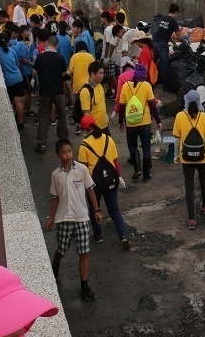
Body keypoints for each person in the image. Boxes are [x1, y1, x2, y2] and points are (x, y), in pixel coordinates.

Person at [45, 138, 101, 301]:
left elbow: (90, 190)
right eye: (64, 152)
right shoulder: (56, 175)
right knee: (61, 249)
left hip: (81, 217)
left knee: (84, 252)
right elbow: (55, 198)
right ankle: (55, 265)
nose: (68, 155)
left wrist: (96, 210)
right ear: (58, 155)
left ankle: (84, 285)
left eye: (70, 151)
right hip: (64, 218)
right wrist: (51, 217)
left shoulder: (82, 170)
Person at [77, 114, 130, 250]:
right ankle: (123, 236)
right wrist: (119, 177)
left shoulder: (84, 146)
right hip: (110, 180)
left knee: (94, 208)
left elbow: (82, 170)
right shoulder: (108, 140)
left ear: (84, 130)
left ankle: (98, 235)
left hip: (94, 184)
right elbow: (115, 162)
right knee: (114, 210)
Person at [172, 89, 205, 229]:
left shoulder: (180, 116)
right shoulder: (203, 116)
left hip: (186, 157)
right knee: (203, 180)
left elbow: (176, 139)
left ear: (186, 101)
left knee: (189, 186)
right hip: (202, 156)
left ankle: (191, 219)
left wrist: (176, 155)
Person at [115, 63, 160, 182]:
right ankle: (146, 175)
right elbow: (152, 106)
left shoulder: (125, 86)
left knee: (133, 146)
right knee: (146, 148)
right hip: (145, 122)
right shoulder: (146, 86)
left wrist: (120, 122)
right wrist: (158, 121)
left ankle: (137, 169)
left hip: (130, 123)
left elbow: (122, 106)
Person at [33, 34, 69, 153]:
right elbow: (64, 74)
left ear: (47, 44)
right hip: (58, 90)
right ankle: (63, 138)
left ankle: (41, 143)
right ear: (57, 45)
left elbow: (34, 72)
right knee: (62, 114)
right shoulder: (60, 58)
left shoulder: (40, 57)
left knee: (43, 116)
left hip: (44, 91)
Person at [0, 31, 26, 132]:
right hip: (18, 77)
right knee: (18, 101)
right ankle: (21, 121)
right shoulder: (12, 50)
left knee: (11, 102)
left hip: (8, 81)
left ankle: (13, 121)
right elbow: (17, 64)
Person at [150, 3, 181, 87]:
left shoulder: (164, 19)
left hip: (155, 41)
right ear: (176, 12)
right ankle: (165, 85)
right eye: (177, 14)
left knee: (153, 62)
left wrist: (174, 43)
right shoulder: (173, 22)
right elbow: (178, 36)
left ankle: (150, 79)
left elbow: (167, 33)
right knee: (165, 64)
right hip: (162, 44)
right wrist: (184, 42)